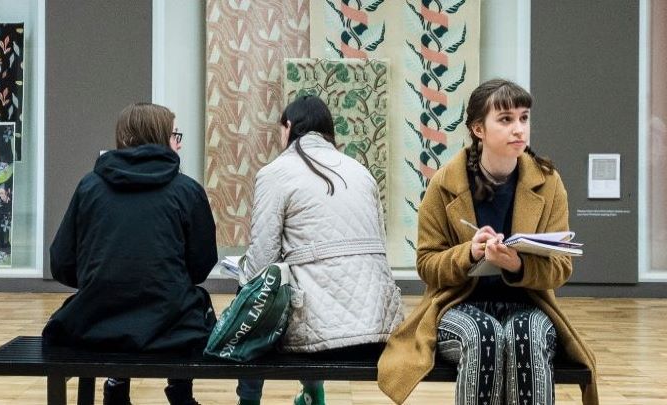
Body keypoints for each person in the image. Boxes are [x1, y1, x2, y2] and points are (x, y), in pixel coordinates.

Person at [377, 79, 598, 405]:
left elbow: (561, 268)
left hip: (529, 304)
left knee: (528, 334)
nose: (519, 129)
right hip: (457, 305)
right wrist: (469, 253)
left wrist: (518, 265)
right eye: (506, 119)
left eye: (524, 118)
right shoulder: (443, 185)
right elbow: (427, 264)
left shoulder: (548, 182)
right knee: (483, 336)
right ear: (478, 129)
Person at [42, 102, 218, 405]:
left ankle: (116, 386)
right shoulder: (187, 190)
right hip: (171, 328)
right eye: (175, 134)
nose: (178, 141)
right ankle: (180, 392)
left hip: (95, 324)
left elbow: (61, 262)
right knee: (190, 301)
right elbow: (201, 264)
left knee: (117, 297)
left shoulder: (90, 186)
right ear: (162, 136)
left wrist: (99, 278)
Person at [236, 95, 404, 405]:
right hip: (377, 327)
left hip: (315, 336)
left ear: (288, 127)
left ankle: (248, 400)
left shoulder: (275, 172)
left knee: (250, 290)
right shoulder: (361, 171)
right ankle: (312, 393)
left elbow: (261, 263)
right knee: (311, 281)